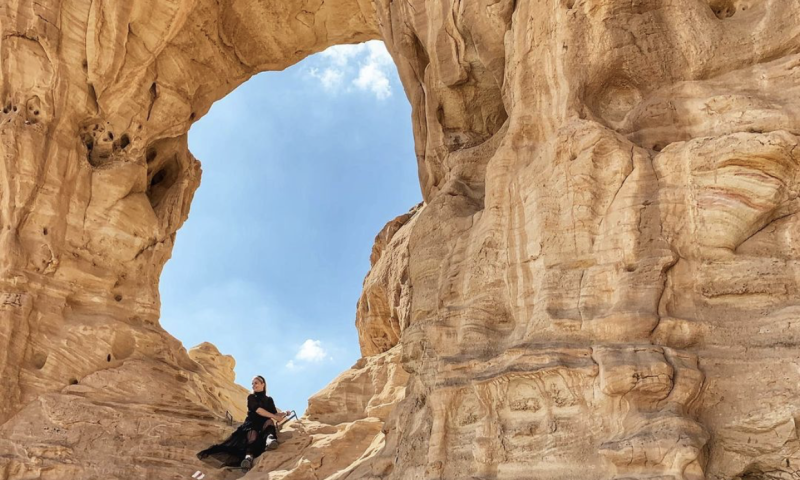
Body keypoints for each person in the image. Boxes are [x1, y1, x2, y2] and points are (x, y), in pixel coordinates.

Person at [197, 375, 289, 469]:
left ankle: (270, 440)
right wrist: (274, 417)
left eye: (256, 383)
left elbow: (274, 413)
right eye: (252, 384)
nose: (253, 385)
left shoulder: (269, 399)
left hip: (264, 423)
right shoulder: (251, 397)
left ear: (263, 384)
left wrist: (284, 413)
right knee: (252, 435)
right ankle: (248, 458)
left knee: (269, 422)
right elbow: (258, 410)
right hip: (252, 423)